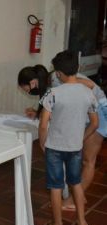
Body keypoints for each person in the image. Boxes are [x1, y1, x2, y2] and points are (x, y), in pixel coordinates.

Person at [17, 63, 107, 210]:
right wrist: (38, 113)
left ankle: (73, 200)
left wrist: (43, 141)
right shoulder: (50, 84)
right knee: (81, 158)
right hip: (87, 114)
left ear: (32, 82)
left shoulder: (56, 78)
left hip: (99, 111)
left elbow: (89, 85)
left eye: (25, 88)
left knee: (88, 161)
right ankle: (79, 195)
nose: (26, 92)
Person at [39, 50, 98, 225]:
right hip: (75, 147)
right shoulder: (88, 93)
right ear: (78, 69)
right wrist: (81, 138)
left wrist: (43, 143)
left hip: (54, 147)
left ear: (58, 73)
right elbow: (94, 123)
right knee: (76, 184)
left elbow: (43, 124)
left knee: (56, 187)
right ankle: (82, 224)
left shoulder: (53, 93)